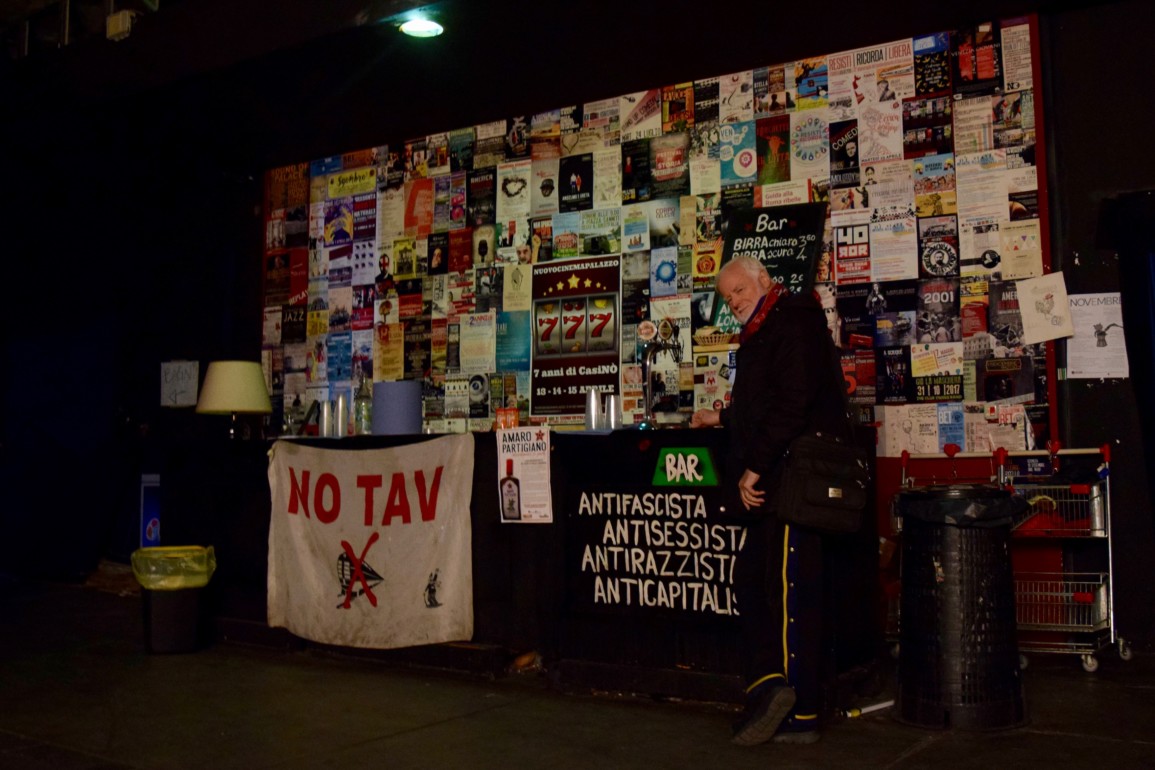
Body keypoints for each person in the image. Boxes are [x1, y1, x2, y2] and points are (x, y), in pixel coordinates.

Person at [690, 256, 846, 746]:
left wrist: (753, 467)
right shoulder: (763, 329)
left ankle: (798, 713)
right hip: (776, 484)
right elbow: (764, 403)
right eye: (727, 296)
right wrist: (721, 419)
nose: (733, 301)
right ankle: (769, 690)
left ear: (764, 280)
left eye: (738, 289)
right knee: (756, 586)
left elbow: (792, 403)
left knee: (788, 596)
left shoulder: (792, 320)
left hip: (790, 484)